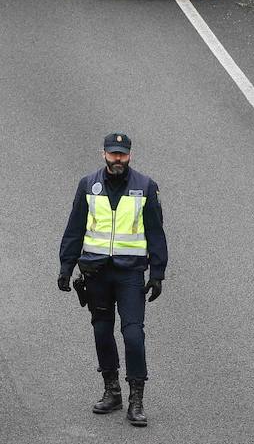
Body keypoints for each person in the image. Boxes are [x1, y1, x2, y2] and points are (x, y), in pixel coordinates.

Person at [57, 133, 168, 428]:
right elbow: (75, 228)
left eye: (122, 154)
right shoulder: (88, 185)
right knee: (102, 332)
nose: (117, 159)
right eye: (112, 154)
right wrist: (66, 267)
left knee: (133, 334)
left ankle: (136, 400)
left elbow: (156, 232)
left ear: (130, 155)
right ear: (103, 153)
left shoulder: (145, 187)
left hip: (130, 273)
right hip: (96, 272)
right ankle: (112, 391)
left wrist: (157, 273)